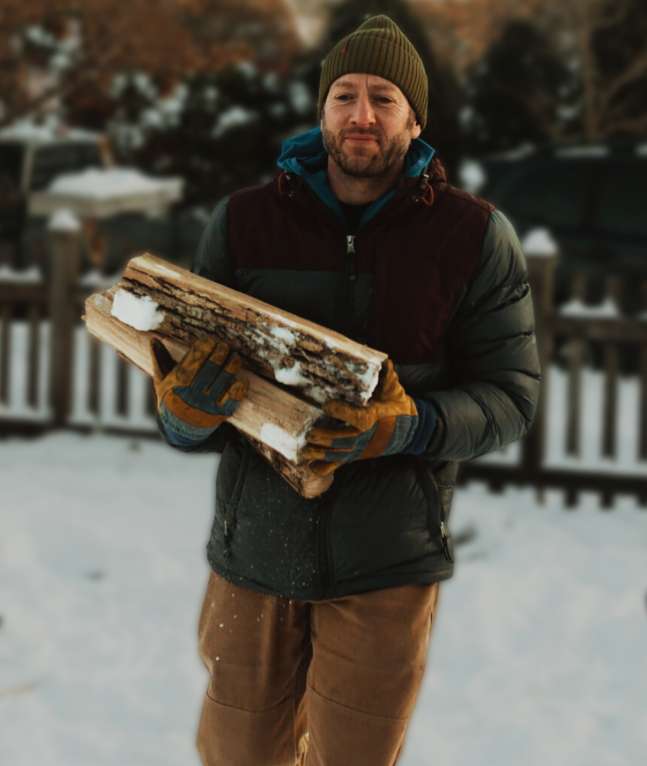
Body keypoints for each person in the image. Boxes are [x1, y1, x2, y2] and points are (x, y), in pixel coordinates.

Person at [150, 14, 541, 766]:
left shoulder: (472, 236)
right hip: (252, 553)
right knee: (237, 754)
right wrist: (182, 413)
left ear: (414, 119)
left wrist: (406, 427)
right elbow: (180, 383)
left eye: (383, 98)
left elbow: (510, 397)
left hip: (385, 560)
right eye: (344, 95)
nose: (361, 114)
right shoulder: (243, 223)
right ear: (321, 110)